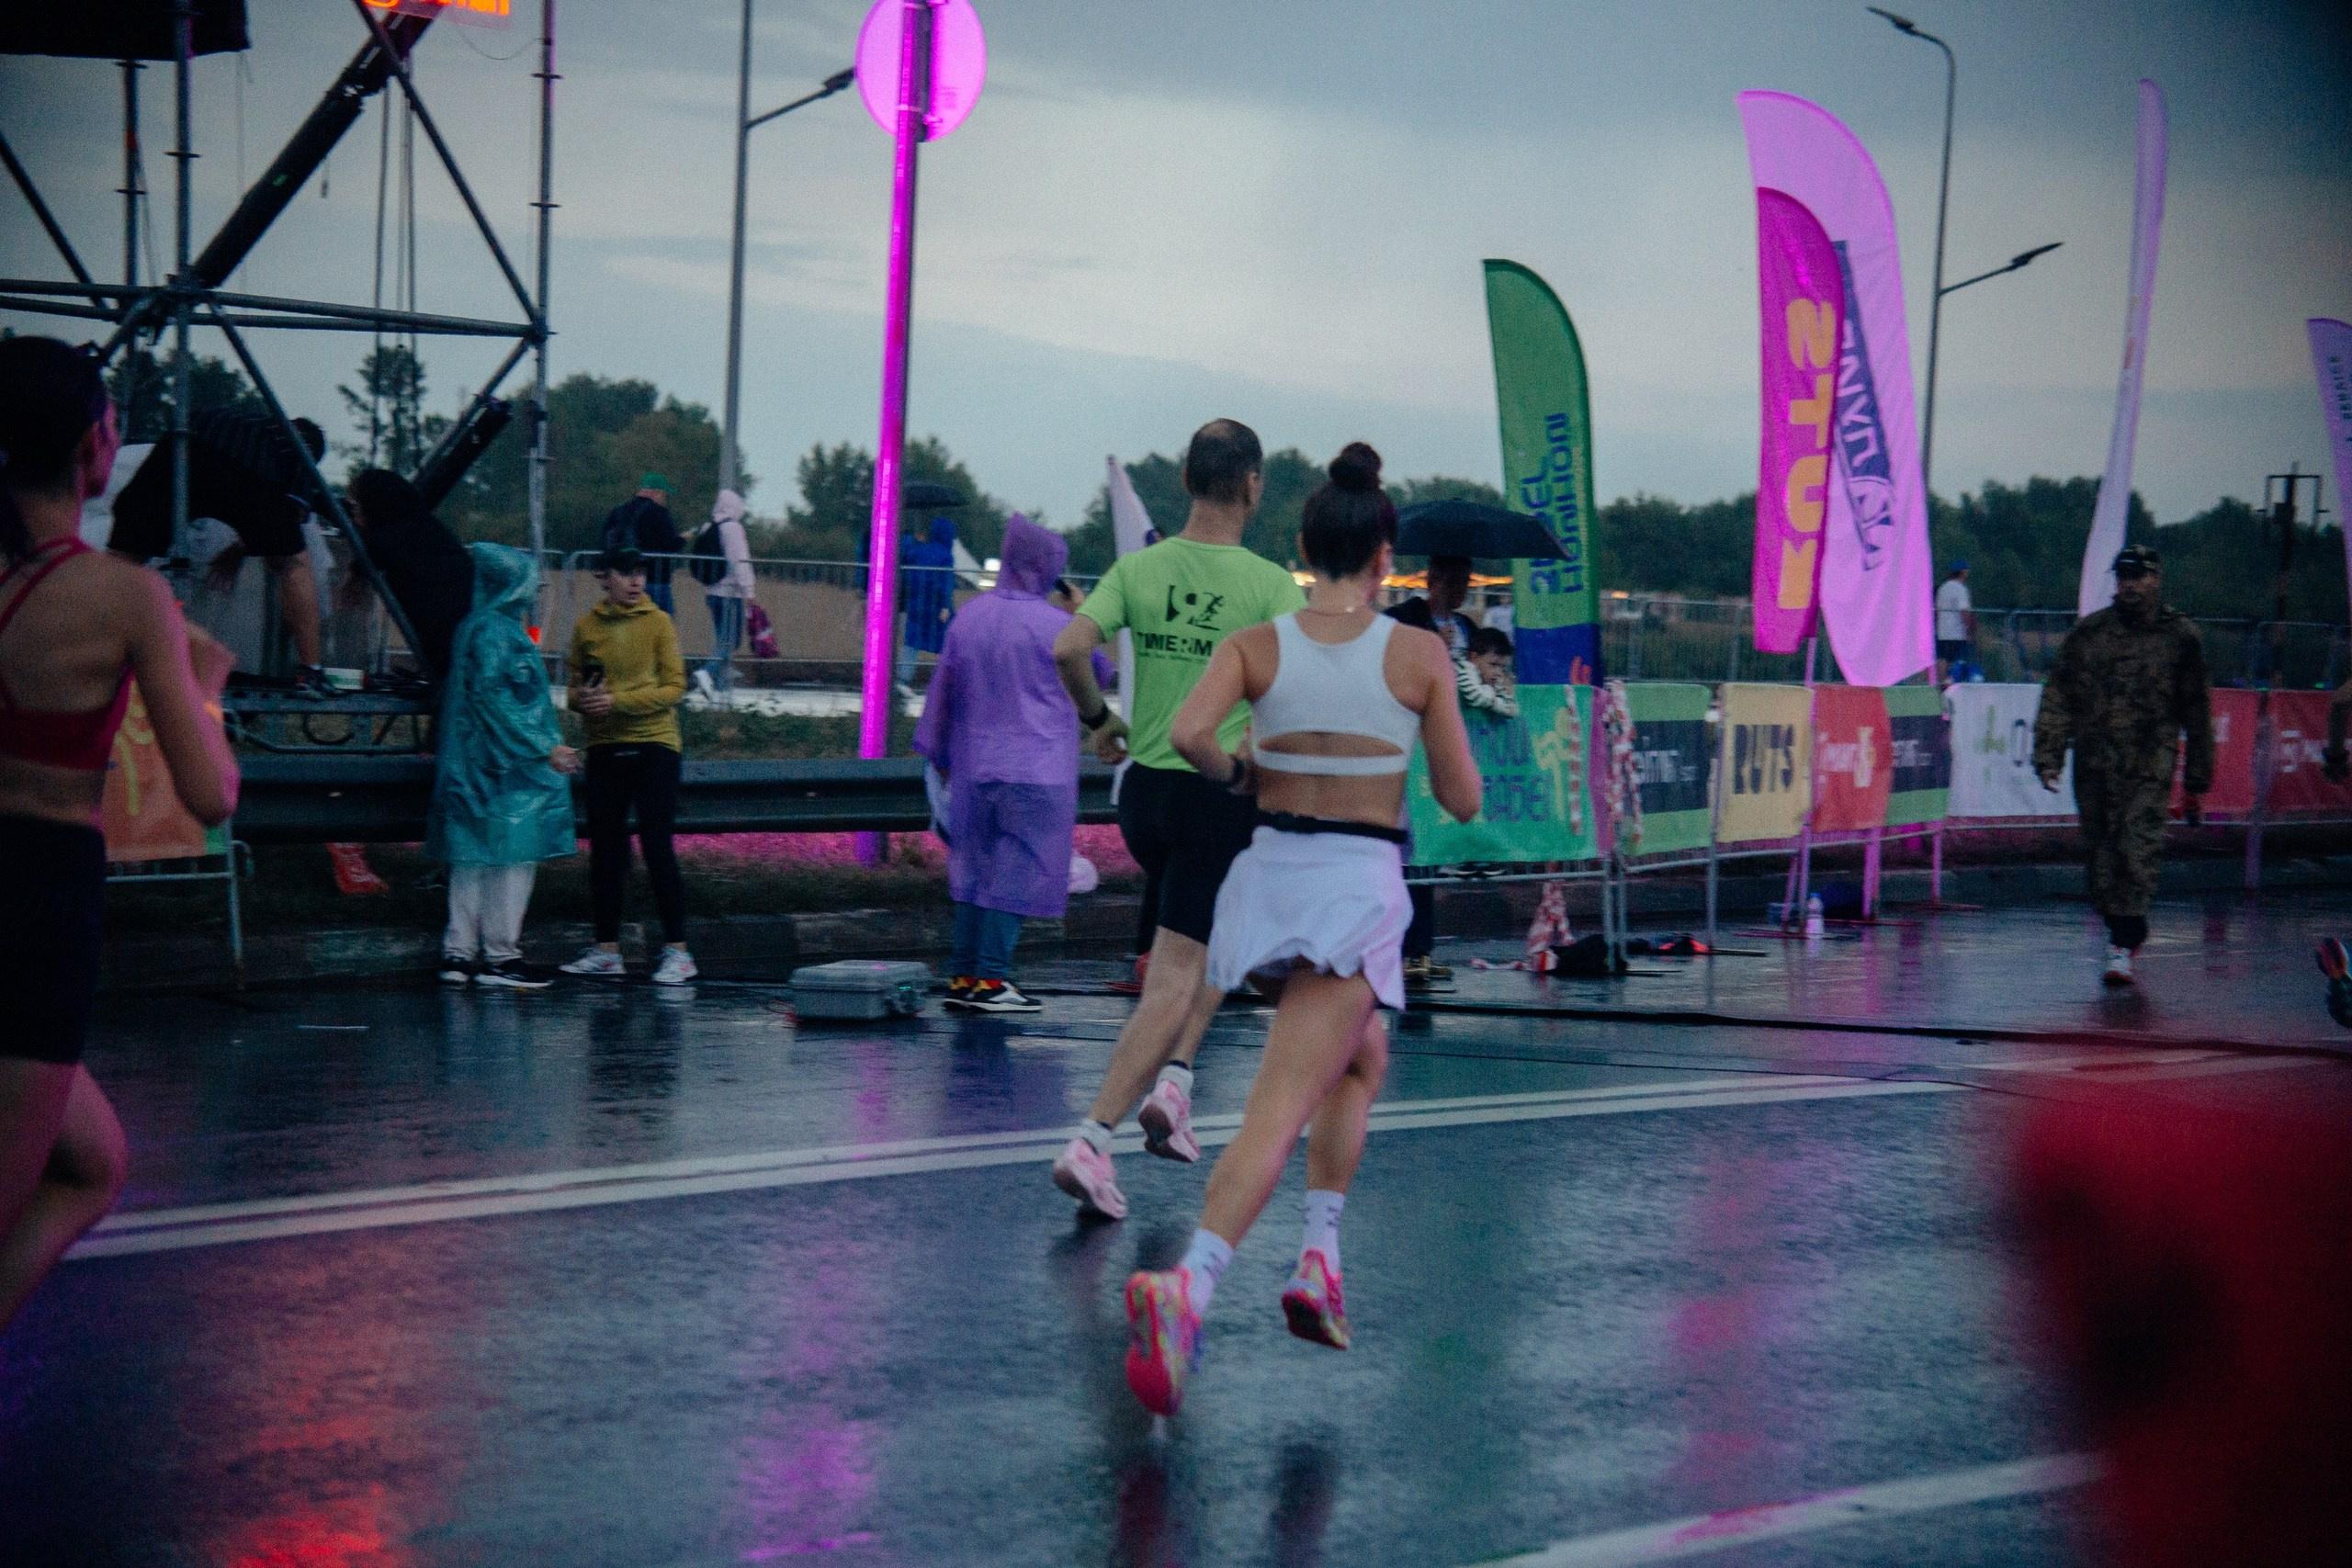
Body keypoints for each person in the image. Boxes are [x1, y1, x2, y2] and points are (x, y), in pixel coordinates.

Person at [1120, 442, 1480, 1415]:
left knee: (1360, 1057)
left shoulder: (1259, 643)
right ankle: (1185, 1287)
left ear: (1302, 547)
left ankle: (1320, 1259)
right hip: (1351, 893)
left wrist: (1248, 772)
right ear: (1385, 553)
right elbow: (1460, 794)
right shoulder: (1416, 653)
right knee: (1281, 1105)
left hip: (1267, 882)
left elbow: (1192, 737)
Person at [0, 336, 239, 1327]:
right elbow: (209, 791)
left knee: (92, 1165)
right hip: (37, 906)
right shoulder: (125, 594)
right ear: (97, 446)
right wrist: (209, 691)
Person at [1047, 418, 1307, 1219]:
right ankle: (1092, 1140)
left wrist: (1099, 718)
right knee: (1173, 982)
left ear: (1189, 479)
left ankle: (1178, 1082)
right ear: (1253, 485)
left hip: (1143, 797)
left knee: (1212, 934)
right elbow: (1287, 703)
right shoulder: (1269, 586)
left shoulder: (1140, 564)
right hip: (1211, 793)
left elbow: (1069, 647)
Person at [913, 515, 1084, 1014]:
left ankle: (964, 976)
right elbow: (1096, 671)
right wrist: (1081, 612)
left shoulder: (969, 618)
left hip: (974, 766)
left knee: (974, 871)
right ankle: (992, 978)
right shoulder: (1058, 627)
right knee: (1018, 871)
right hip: (1037, 772)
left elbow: (943, 693)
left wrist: (940, 756)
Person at [2032, 545, 2213, 987]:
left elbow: (2197, 709)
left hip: (2148, 767)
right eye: (2123, 577)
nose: (2129, 586)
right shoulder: (2090, 634)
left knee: (2136, 848)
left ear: (2157, 579)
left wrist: (2197, 779)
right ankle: (2122, 929)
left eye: (2138, 577)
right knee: (2100, 856)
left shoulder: (2180, 638)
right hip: (2094, 765)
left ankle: (2123, 940)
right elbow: (2059, 694)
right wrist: (2049, 753)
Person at [426, 544, 582, 988]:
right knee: (512, 859)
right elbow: (498, 698)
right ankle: (500, 955)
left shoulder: (472, 628)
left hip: (472, 764)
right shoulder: (500, 633)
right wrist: (542, 748)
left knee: (470, 857)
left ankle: (459, 955)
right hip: (509, 766)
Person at [109, 407, 332, 694]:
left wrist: (243, 543)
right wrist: (255, 542)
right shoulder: (297, 444)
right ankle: (310, 671)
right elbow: (292, 517)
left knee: (124, 559)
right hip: (244, 465)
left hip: (179, 449)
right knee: (293, 565)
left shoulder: (241, 416)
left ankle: (99, 646)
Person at [560, 546, 696, 985]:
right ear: (603, 576)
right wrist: (583, 700)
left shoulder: (658, 622)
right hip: (603, 748)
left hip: (655, 744)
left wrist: (620, 701)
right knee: (606, 852)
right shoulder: (586, 628)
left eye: (641, 572)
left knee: (657, 845)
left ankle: (678, 951)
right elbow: (572, 690)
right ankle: (606, 950)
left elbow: (675, 686)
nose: (636, 581)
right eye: (626, 573)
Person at [1385, 553, 1478, 987]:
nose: (1459, 589)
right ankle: (1403, 948)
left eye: (1465, 580)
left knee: (1432, 852)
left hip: (1449, 750)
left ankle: (1420, 949)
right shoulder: (1401, 619)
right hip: (1411, 753)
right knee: (1411, 852)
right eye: (1453, 579)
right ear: (1431, 579)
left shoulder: (1471, 630)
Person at [343, 469, 474, 680]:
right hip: (458, 645)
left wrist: (356, 573)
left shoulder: (399, 536)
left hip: (452, 646)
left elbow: (380, 547)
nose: (354, 520)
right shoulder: (427, 531)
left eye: (357, 508)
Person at [694, 488, 756, 701]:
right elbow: (739, 561)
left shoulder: (708, 526)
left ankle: (718, 689)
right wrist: (749, 590)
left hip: (712, 592)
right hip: (731, 593)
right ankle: (708, 672)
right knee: (731, 640)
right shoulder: (733, 528)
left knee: (723, 637)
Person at [603, 473, 684, 614]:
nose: (664, 499)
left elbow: (604, 541)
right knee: (662, 628)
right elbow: (672, 545)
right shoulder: (659, 512)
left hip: (622, 581)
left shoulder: (619, 511)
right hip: (656, 581)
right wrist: (684, 538)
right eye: (664, 495)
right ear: (658, 493)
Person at [899, 513, 957, 692]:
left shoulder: (920, 550)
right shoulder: (946, 556)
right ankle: (945, 681)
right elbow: (945, 582)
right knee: (947, 642)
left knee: (912, 642)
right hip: (935, 607)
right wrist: (946, 605)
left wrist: (911, 539)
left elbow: (905, 557)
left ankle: (903, 680)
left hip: (917, 604)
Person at [1460, 625, 1520, 718]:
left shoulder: (1493, 682)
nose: (1499, 673)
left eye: (1503, 667)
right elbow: (1476, 696)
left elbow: (1513, 711)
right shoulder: (1465, 668)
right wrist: (1496, 700)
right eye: (1493, 665)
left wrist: (1507, 696)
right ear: (1474, 658)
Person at [1936, 563, 1974, 684]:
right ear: (1962, 572)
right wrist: (1969, 630)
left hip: (1942, 630)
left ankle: (1941, 682)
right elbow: (1963, 611)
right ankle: (1952, 681)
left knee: (1943, 658)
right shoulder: (1960, 589)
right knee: (1956, 659)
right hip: (1956, 632)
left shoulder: (1943, 588)